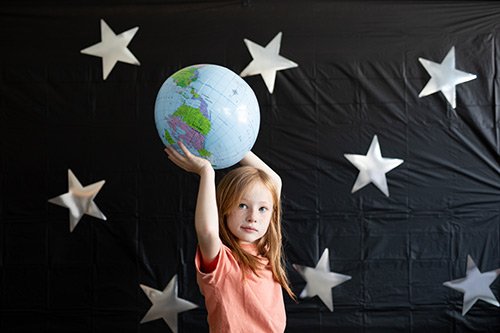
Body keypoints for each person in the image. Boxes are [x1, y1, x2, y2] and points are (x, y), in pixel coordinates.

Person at [165, 141, 295, 333]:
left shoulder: (265, 250)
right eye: (242, 205)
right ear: (224, 209)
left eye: (262, 209)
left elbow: (274, 182)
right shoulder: (221, 262)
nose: (253, 217)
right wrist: (206, 172)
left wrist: (231, 144)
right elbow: (207, 231)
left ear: (271, 215)